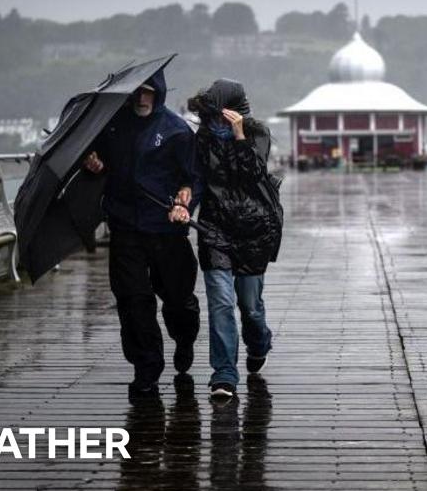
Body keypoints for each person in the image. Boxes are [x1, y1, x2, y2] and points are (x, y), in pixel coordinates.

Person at [84, 67, 200, 401]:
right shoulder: (111, 127)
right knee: (132, 300)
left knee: (178, 300)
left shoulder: (177, 131)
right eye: (136, 92)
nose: (141, 98)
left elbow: (192, 178)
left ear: (158, 92)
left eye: (148, 92)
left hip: (166, 227)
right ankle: (146, 368)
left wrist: (185, 201)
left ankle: (185, 339)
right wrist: (92, 163)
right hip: (125, 226)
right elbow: (97, 164)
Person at [187, 79, 283, 400]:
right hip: (215, 230)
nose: (215, 122)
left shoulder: (257, 133)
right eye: (210, 116)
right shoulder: (202, 140)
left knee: (250, 306)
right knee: (221, 303)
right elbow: (196, 180)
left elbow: (253, 174)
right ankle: (224, 374)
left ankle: (258, 342)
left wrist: (240, 136)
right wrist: (182, 203)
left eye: (220, 114)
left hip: (255, 230)